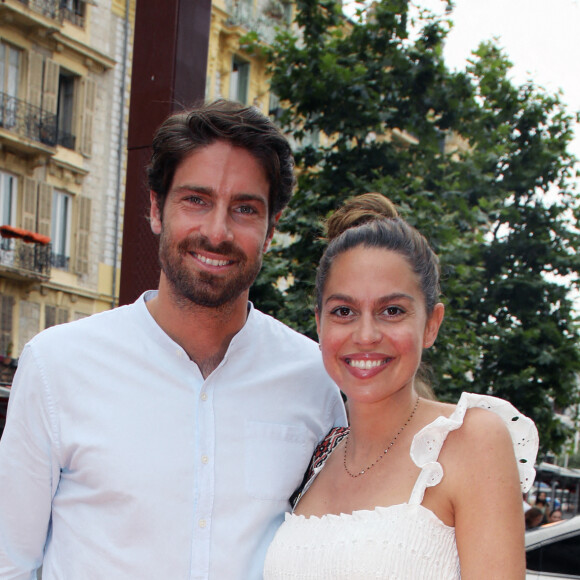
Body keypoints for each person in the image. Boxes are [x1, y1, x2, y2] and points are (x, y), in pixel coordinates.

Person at [0, 100, 346, 579]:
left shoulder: (315, 378)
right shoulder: (57, 365)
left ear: (271, 231)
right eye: (196, 200)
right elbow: (11, 561)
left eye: (245, 208)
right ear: (155, 209)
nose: (217, 231)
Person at [264, 193, 539, 579]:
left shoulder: (469, 439)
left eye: (391, 310)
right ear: (320, 324)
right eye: (343, 311)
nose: (365, 334)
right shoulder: (318, 457)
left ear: (431, 324)